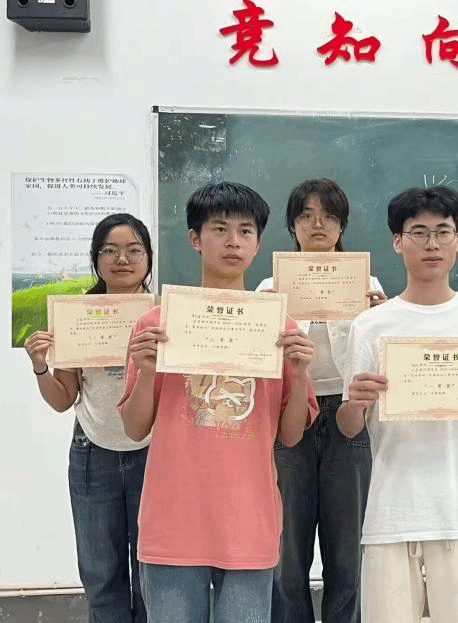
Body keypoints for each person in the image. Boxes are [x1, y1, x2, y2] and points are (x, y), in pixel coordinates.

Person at [117, 181, 319, 623]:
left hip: (248, 521)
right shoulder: (157, 325)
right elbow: (134, 429)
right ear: (195, 238)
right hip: (173, 521)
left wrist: (301, 372)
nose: (233, 242)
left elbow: (290, 435)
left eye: (246, 231)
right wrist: (147, 370)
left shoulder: (279, 329)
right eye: (220, 229)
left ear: (258, 243)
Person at [336, 185, 458, 623]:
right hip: (391, 512)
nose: (432, 244)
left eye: (443, 232)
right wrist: (356, 403)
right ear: (397, 242)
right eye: (418, 233)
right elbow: (349, 426)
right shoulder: (371, 324)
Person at [256, 178, 386, 623]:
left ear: (342, 225)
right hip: (289, 417)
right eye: (307, 216)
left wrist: (383, 318)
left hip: (348, 416)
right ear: (292, 225)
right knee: (287, 554)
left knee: (347, 554)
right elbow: (259, 364)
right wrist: (263, 318)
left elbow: (381, 358)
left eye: (329, 216)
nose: (318, 224)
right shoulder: (270, 287)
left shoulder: (366, 284)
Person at [24, 213, 153, 623]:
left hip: (156, 454)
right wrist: (40, 366)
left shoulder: (164, 315)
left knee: (153, 575)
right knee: (101, 577)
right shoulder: (76, 316)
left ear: (149, 257)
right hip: (93, 453)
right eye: (109, 250)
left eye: (134, 250)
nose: (122, 259)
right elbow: (63, 399)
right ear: (95, 258)